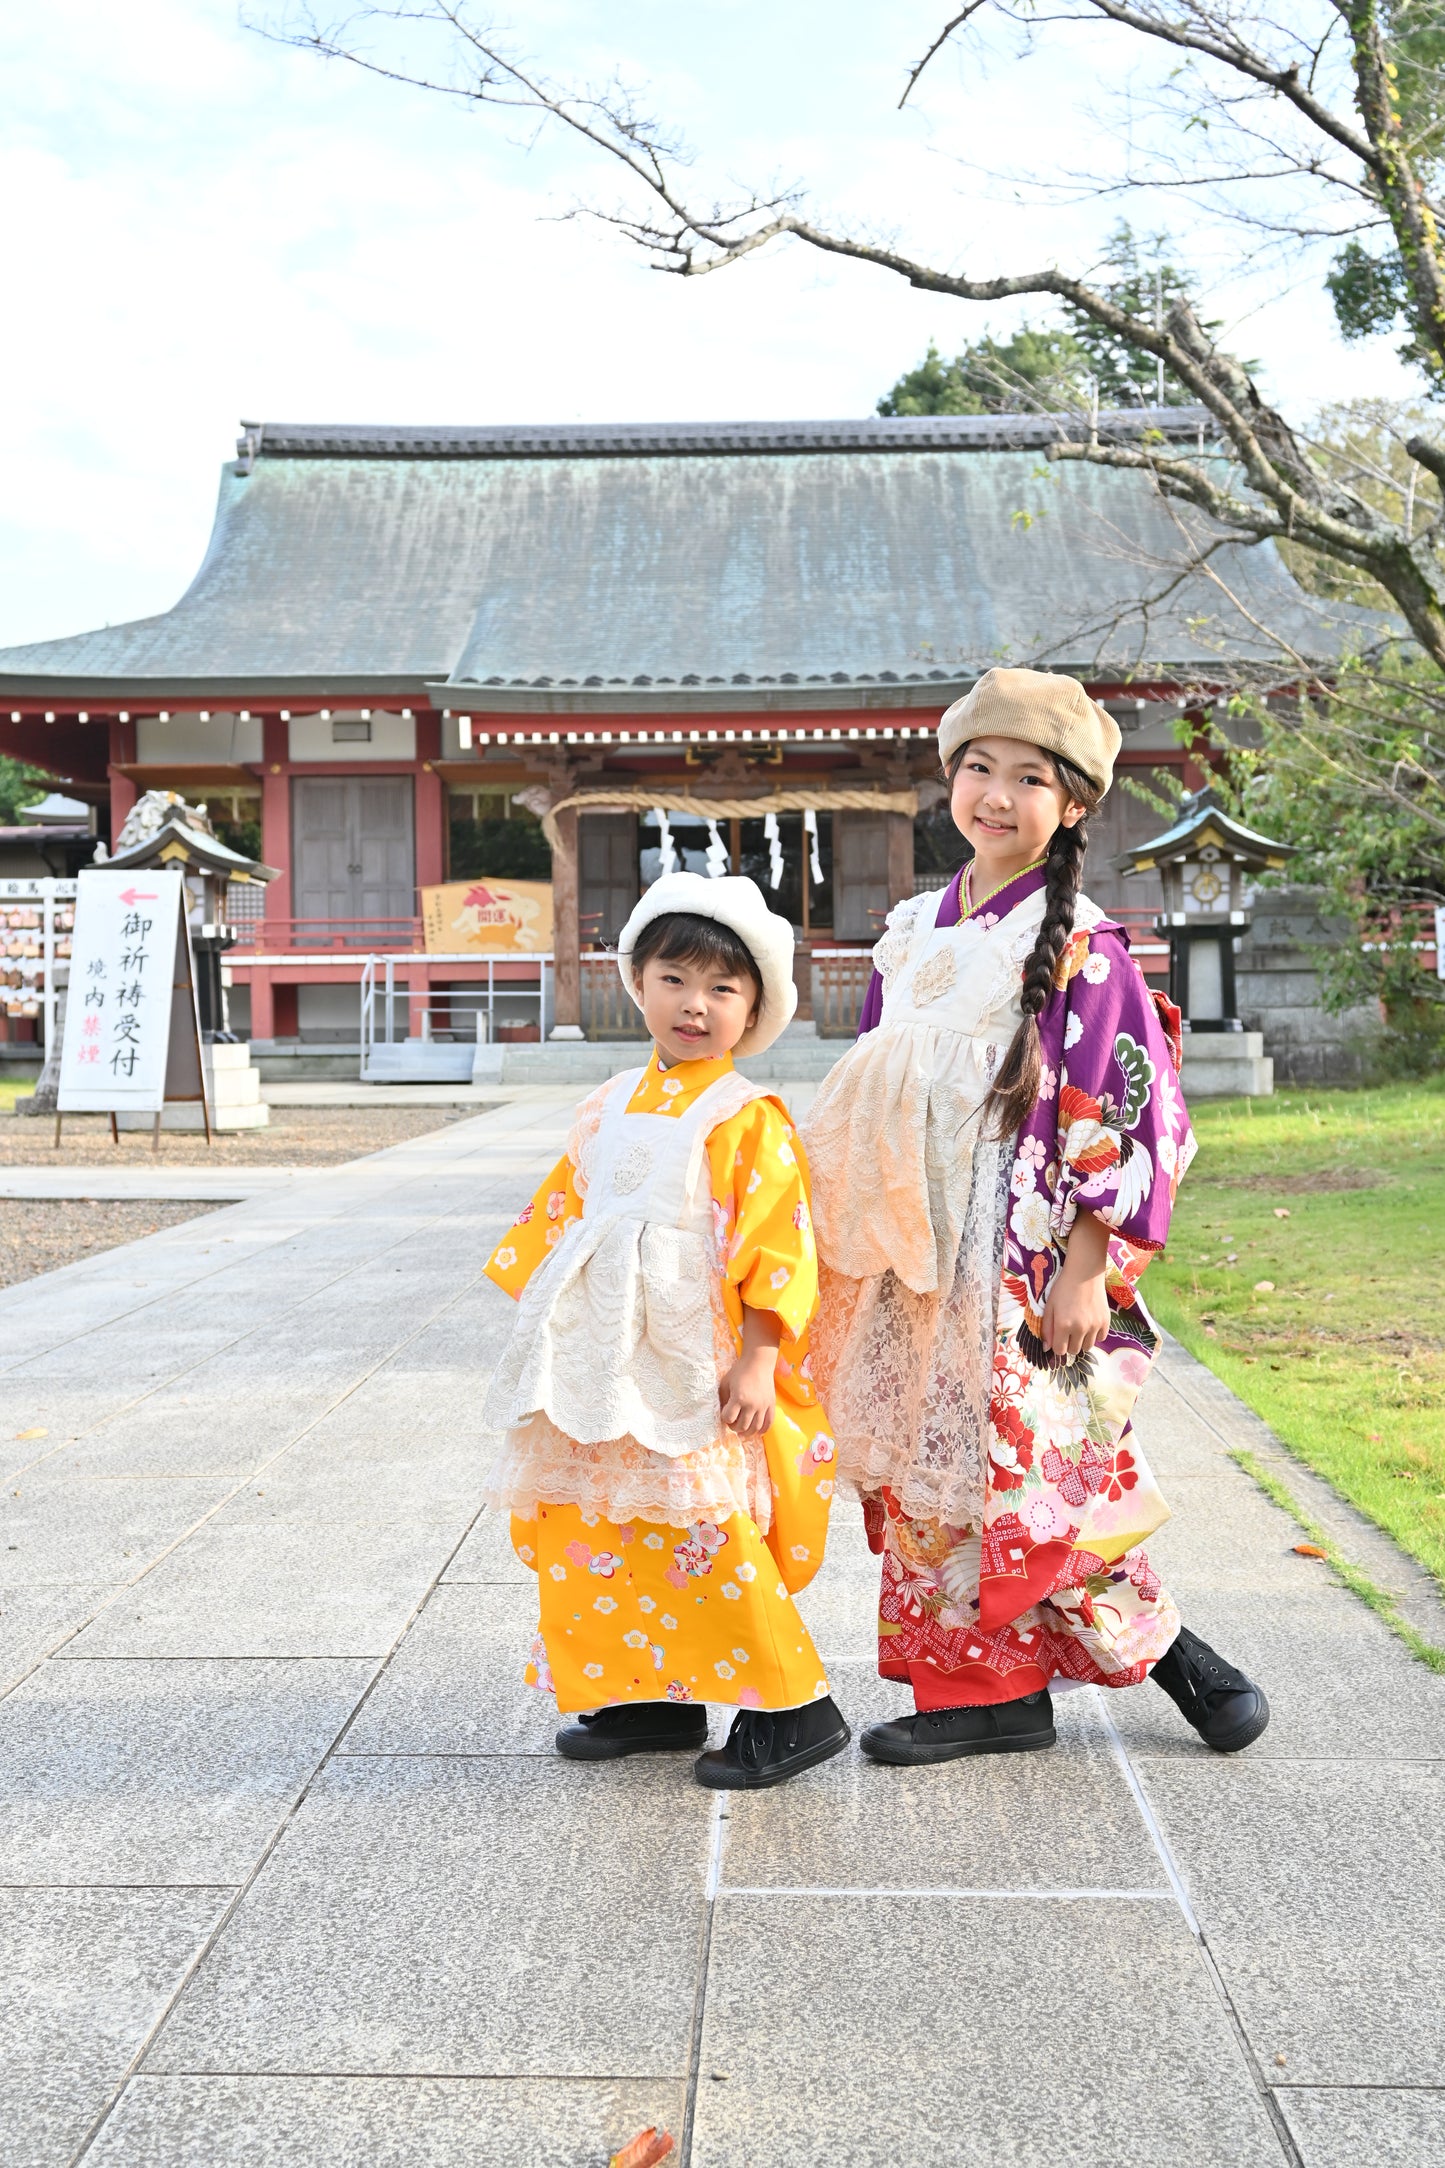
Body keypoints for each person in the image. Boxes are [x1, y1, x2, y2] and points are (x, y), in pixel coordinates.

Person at [801, 668, 1269, 1764]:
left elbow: (1120, 1108)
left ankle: (1180, 1659)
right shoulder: (912, 929)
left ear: (1070, 805)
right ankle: (982, 1696)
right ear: (947, 781)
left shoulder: (1081, 946)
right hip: (918, 1249)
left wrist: (1084, 1269)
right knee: (935, 1471)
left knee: (1035, 1476)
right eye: (977, 768)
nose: (995, 795)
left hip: (1017, 1249)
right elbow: (874, 1083)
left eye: (1027, 777)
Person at [482, 871, 849, 1789]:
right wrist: (544, 1322)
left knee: (703, 1522)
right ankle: (649, 1689)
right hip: (598, 1353)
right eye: (675, 979)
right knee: (594, 1519)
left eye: (724, 989)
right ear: (636, 982)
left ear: (755, 1008)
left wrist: (761, 1356)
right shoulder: (605, 1105)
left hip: (690, 1351)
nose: (696, 1005)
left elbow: (778, 1243)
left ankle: (793, 1706)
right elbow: (561, 1216)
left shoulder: (745, 1118)